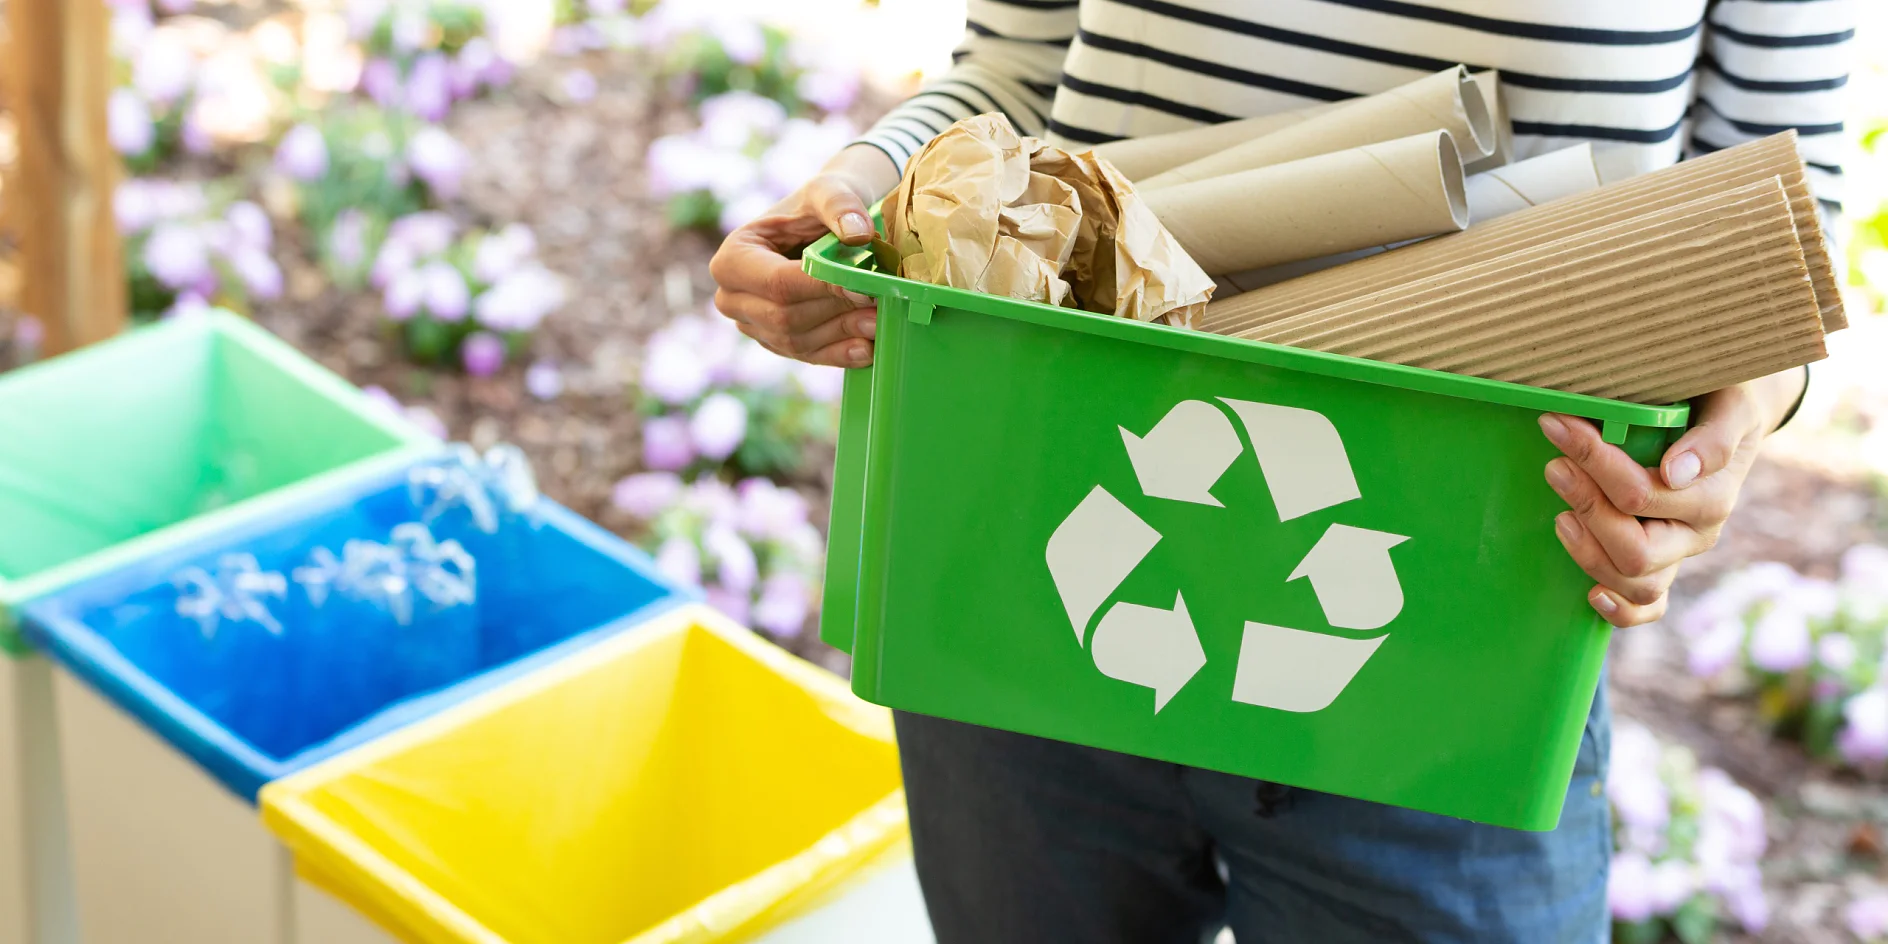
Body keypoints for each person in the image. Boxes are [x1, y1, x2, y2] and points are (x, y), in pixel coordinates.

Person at [709, 2, 1852, 940]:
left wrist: (1728, 433)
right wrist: (847, 198)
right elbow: (1014, 69)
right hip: (1039, 557)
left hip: (1461, 627)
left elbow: (1775, 211)